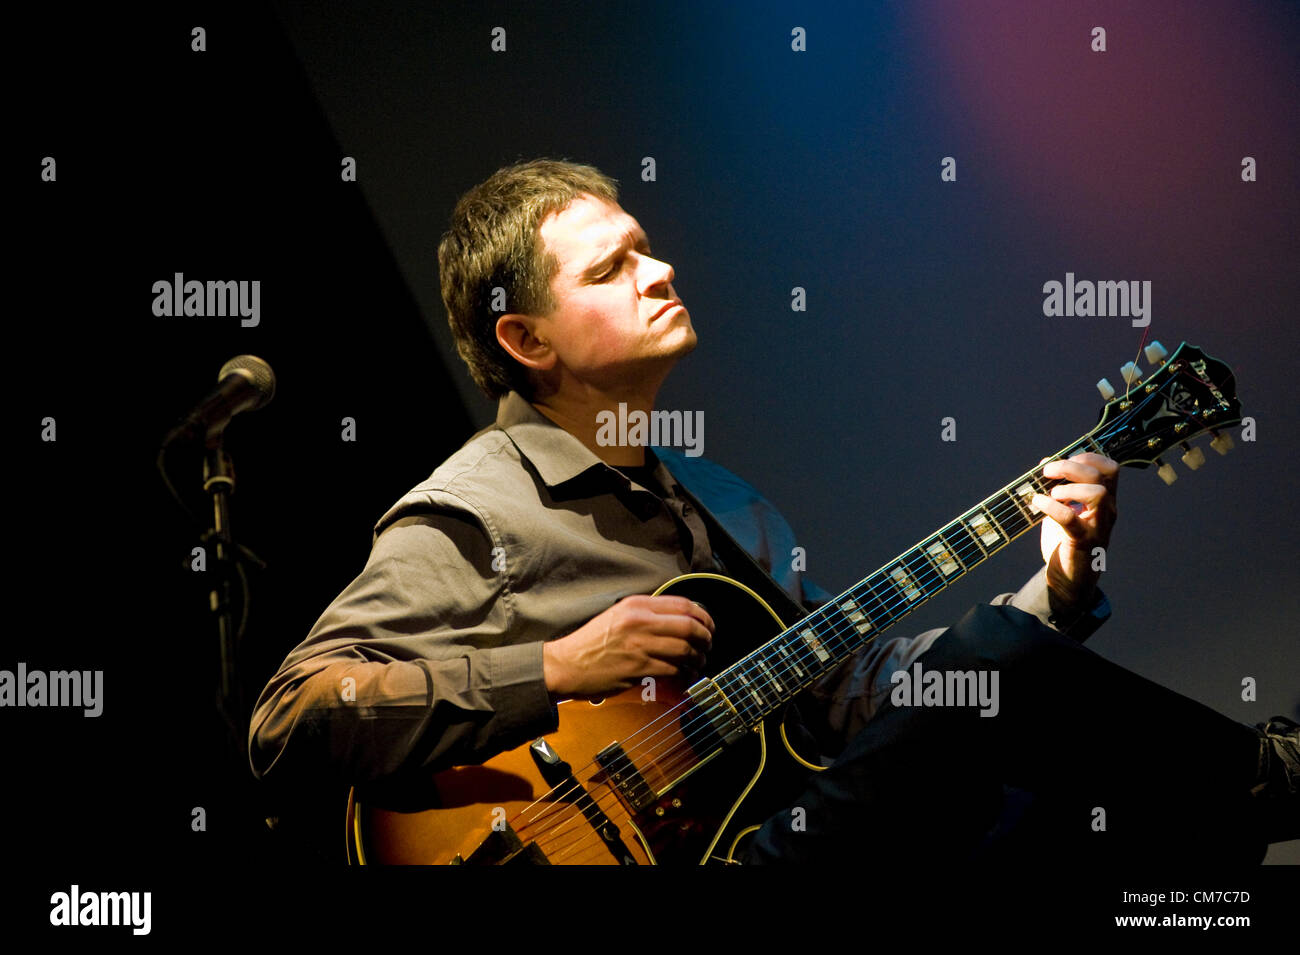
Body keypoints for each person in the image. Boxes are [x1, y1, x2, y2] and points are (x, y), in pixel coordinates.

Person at [247, 159, 1297, 864]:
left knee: (1066, 805)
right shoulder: (475, 511)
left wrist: (1059, 583)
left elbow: (866, 689)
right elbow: (289, 721)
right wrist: (554, 670)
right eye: (613, 268)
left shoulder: (720, 500)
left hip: (765, 831)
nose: (660, 270)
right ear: (524, 340)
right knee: (996, 669)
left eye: (647, 247)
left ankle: (1249, 801)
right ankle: (1272, 774)